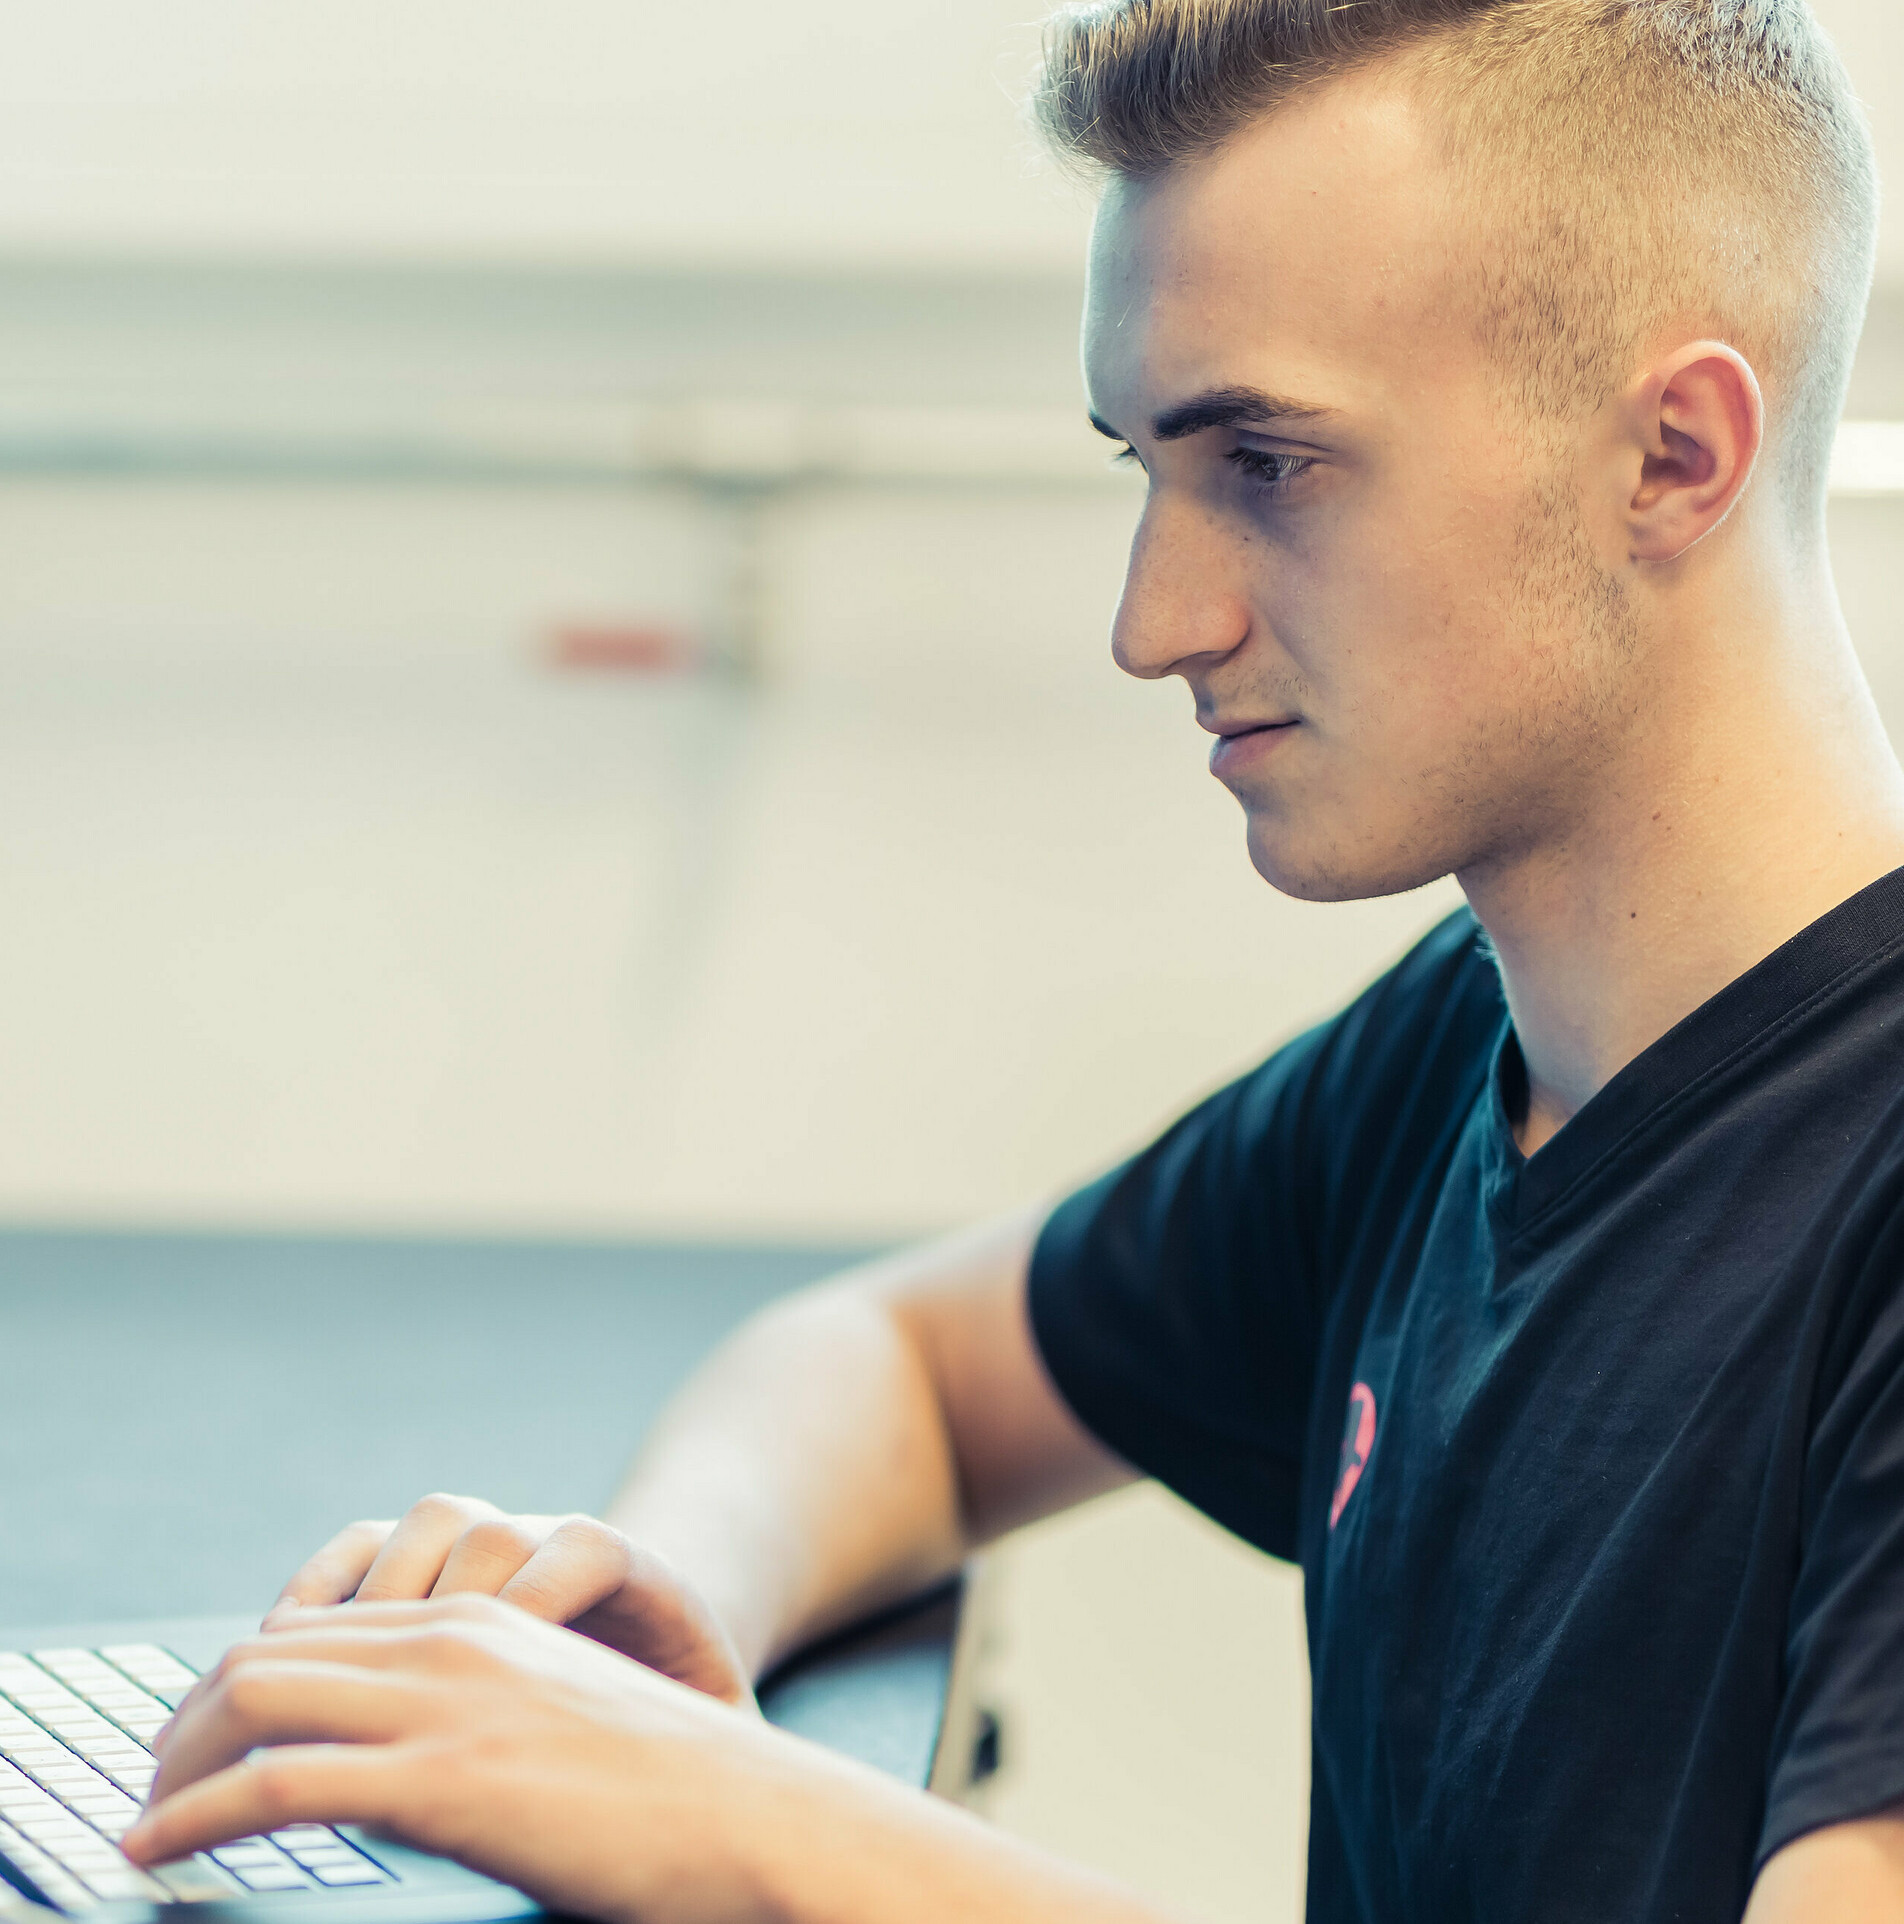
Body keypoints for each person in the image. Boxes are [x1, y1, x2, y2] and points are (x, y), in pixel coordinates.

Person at [123, 0, 1904, 1915]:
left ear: (1673, 453)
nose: (1156, 620)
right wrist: (636, 1614)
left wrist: (742, 1825)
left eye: (1273, 467)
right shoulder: (1476, 1058)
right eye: (1147, 464)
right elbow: (899, 1367)